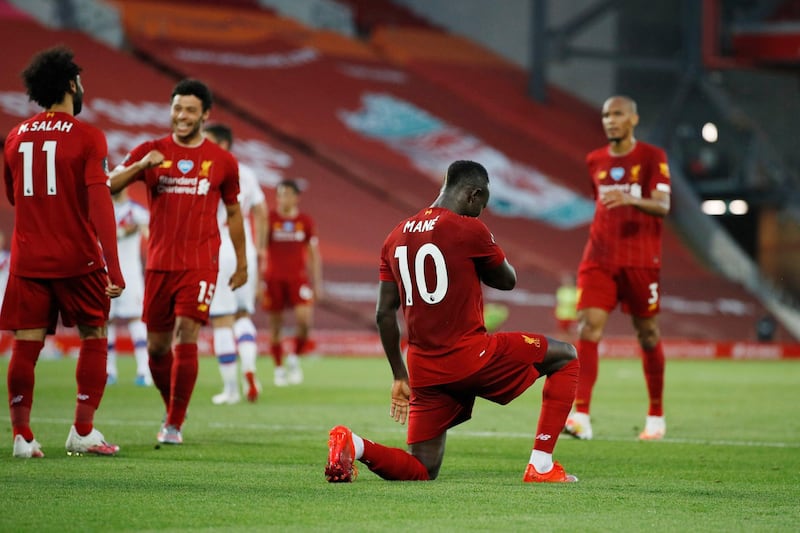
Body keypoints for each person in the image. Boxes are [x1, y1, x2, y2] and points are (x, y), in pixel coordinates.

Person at [325, 160, 580, 483]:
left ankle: (355, 445)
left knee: (422, 468)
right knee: (566, 356)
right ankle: (541, 466)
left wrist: (398, 375)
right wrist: (486, 246)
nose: (481, 212)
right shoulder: (469, 229)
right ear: (474, 194)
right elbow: (507, 281)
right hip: (471, 357)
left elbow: (383, 313)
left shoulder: (395, 235)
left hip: (424, 371)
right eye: (483, 204)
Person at [109, 79, 247, 445]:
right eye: (176, 108)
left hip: (201, 263)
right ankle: (171, 406)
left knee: (187, 333)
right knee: (156, 347)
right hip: (158, 264)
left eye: (189, 110)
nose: (182, 116)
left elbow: (234, 213)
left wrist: (243, 262)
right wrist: (140, 164)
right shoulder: (151, 150)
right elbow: (109, 185)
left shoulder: (223, 161)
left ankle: (174, 422)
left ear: (205, 115)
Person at [2, 46, 124, 458]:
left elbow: (13, 197)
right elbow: (101, 205)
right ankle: (83, 431)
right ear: (72, 83)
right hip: (78, 258)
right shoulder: (89, 136)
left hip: (28, 259)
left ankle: (22, 436)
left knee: (25, 344)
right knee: (95, 334)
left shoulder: (15, 137)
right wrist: (115, 268)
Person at [564, 95, 671, 441]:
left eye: (617, 114)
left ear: (633, 119)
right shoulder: (594, 160)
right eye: (606, 115)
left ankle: (655, 415)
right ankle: (581, 415)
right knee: (588, 327)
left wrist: (631, 199)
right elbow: (601, 205)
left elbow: (663, 205)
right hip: (598, 259)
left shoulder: (653, 157)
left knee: (648, 334)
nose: (610, 120)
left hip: (641, 261)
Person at [203, 123, 268, 404]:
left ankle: (230, 389)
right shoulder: (249, 174)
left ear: (223, 144)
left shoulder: (209, 169)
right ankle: (250, 370)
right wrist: (262, 248)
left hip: (220, 248)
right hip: (247, 251)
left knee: (221, 320)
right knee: (243, 316)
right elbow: (262, 211)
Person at [263, 179, 322, 387]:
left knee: (305, 322)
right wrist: (257, 282)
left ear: (296, 197)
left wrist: (317, 283)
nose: (283, 199)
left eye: (287, 194)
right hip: (274, 278)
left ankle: (294, 358)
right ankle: (279, 369)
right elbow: (260, 250)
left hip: (299, 279)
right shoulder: (269, 219)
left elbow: (314, 254)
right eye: (280, 195)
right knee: (276, 326)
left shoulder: (305, 221)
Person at [106, 188, 152, 387]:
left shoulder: (137, 211)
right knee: (107, 321)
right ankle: (109, 372)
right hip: (106, 273)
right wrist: (123, 231)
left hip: (131, 274)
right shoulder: (102, 209)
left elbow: (150, 235)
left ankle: (144, 370)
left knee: (136, 318)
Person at [554, 272, 578, 341]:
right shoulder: (561, 290)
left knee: (572, 333)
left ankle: (573, 348)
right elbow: (558, 302)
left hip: (572, 316)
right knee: (562, 333)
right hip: (562, 315)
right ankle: (562, 347)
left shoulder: (576, 291)